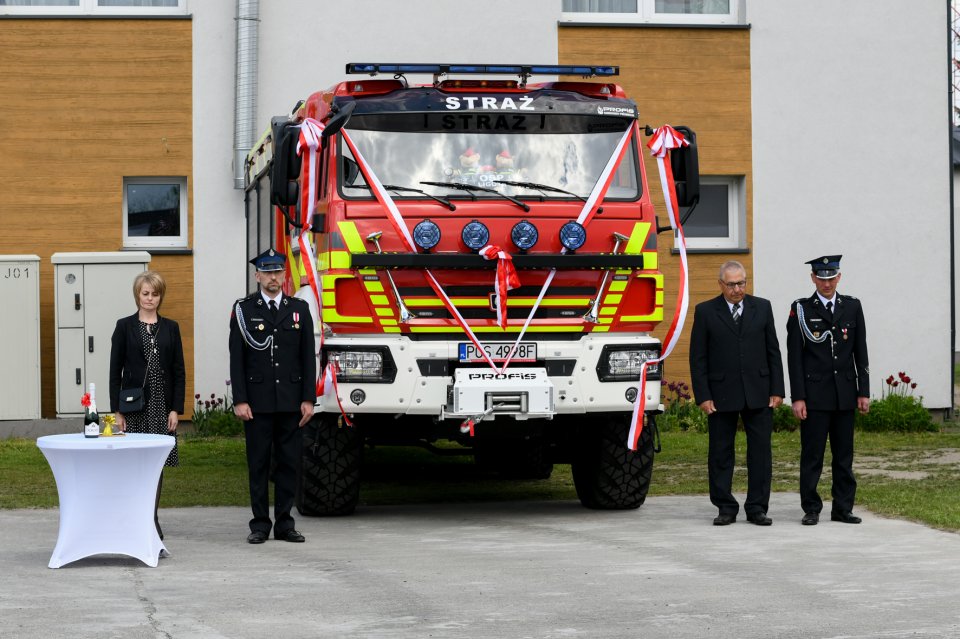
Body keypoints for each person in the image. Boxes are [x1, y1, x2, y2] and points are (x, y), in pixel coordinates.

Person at [229, 248, 316, 544]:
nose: (273, 278)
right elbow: (236, 359)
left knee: (289, 463)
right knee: (259, 463)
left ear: (284, 275)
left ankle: (285, 523)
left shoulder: (299, 310)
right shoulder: (244, 310)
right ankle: (260, 524)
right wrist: (239, 399)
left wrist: (309, 398)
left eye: (278, 272)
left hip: (291, 400)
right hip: (257, 402)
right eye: (267, 272)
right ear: (257, 276)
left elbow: (308, 357)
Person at [689, 260, 784, 526]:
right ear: (721, 284)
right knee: (720, 452)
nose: (737, 289)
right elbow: (698, 358)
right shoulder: (706, 311)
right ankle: (725, 507)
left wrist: (777, 389)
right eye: (731, 284)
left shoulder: (762, 307)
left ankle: (757, 508)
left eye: (741, 283)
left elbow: (773, 351)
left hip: (759, 391)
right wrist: (703, 395)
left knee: (760, 453)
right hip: (721, 393)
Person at [787, 255, 870, 526]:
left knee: (844, 456)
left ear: (839, 277)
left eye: (831, 277)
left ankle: (843, 508)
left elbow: (861, 352)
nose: (827, 283)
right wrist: (798, 396)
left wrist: (863, 391)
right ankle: (811, 508)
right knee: (812, 456)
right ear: (813, 278)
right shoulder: (801, 309)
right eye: (821, 278)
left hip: (845, 393)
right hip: (815, 395)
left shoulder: (852, 307)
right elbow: (794, 357)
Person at [109, 270, 186, 541]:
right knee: (132, 465)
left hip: (162, 409)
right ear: (137, 295)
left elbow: (179, 371)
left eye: (154, 294)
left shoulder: (171, 328)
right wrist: (116, 411)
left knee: (155, 466)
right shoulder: (124, 326)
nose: (149, 298)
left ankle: (152, 520)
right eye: (145, 293)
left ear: (160, 296)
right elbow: (114, 370)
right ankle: (132, 518)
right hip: (134, 409)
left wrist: (176, 408)